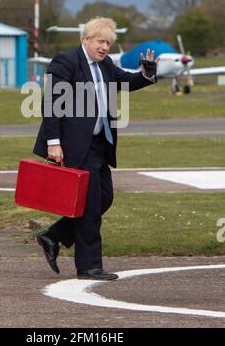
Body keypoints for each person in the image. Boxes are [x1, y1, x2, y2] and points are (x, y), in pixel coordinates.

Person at [33, 17, 157, 280]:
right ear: (85, 39)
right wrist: (53, 143)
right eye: (100, 41)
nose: (104, 47)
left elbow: (126, 82)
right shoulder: (65, 62)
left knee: (105, 198)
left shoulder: (107, 65)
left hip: (101, 144)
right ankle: (89, 266)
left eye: (109, 43)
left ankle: (53, 236)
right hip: (76, 146)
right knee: (90, 206)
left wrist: (146, 73)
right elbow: (52, 103)